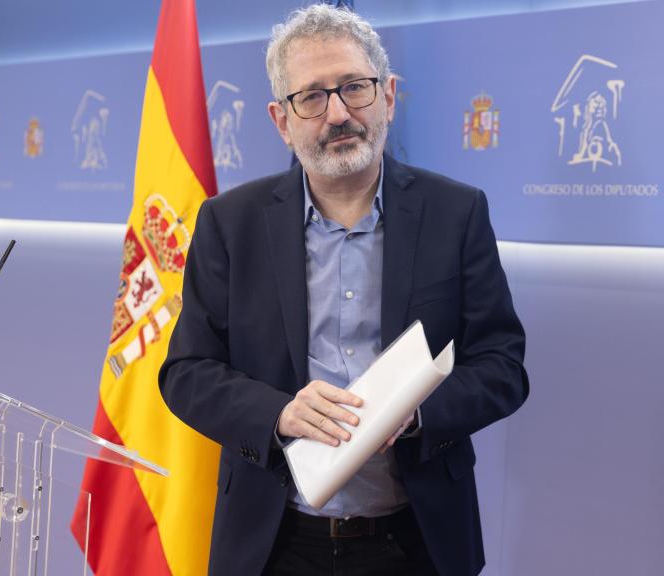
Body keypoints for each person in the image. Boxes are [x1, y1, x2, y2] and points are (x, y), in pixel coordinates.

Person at [159, 5, 528, 575]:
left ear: (388, 95)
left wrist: (415, 411)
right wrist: (280, 412)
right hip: (274, 541)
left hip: (417, 541)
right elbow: (186, 372)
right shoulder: (229, 223)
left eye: (355, 87)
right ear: (281, 120)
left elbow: (503, 367)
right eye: (310, 96)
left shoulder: (457, 213)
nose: (337, 113)